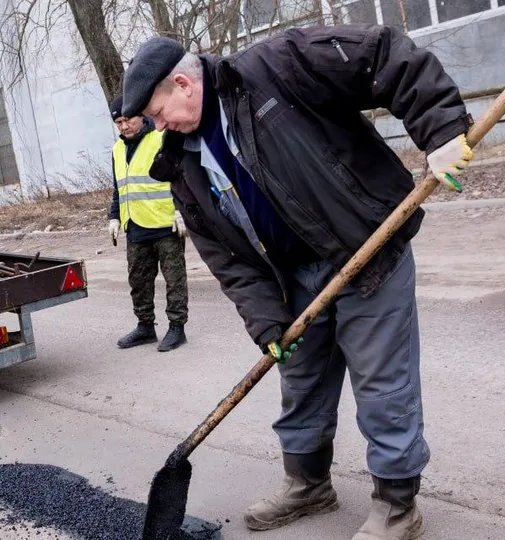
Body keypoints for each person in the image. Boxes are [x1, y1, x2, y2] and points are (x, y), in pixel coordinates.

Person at [121, 24, 474, 540]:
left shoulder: (275, 66)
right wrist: (264, 317)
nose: (158, 126)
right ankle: (307, 484)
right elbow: (227, 258)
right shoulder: (182, 164)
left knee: (382, 384)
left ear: (183, 84)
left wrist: (440, 131)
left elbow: (383, 55)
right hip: (295, 276)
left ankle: (398, 507)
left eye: (157, 113)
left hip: (366, 248)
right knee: (301, 381)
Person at [106, 95, 189, 352]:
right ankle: (145, 327)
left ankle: (177, 328)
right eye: (118, 122)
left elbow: (182, 177)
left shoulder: (161, 138)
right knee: (138, 280)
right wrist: (114, 217)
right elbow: (119, 188)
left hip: (165, 224)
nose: (124, 126)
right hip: (136, 226)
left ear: (141, 116)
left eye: (127, 119)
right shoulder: (117, 150)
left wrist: (181, 210)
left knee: (174, 279)